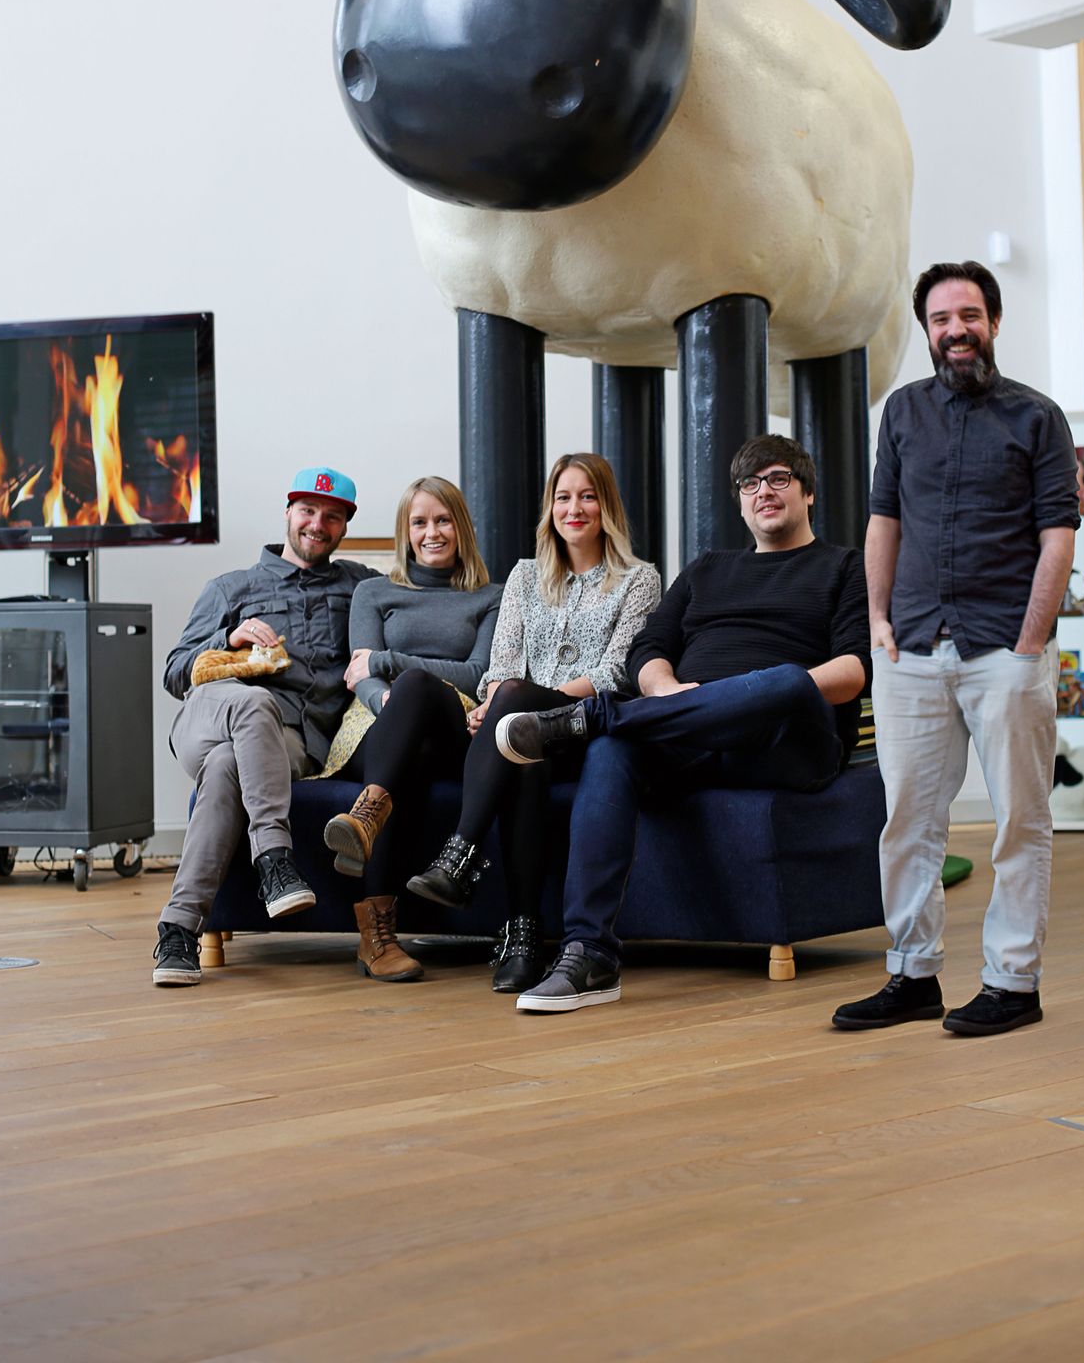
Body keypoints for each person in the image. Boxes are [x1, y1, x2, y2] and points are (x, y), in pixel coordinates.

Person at [496, 433, 870, 1014]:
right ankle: (589, 954)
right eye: (750, 484)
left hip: (788, 739)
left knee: (786, 680)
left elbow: (851, 671)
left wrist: (755, 693)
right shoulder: (708, 569)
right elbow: (648, 650)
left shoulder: (845, 566)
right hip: (690, 734)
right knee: (611, 753)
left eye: (777, 479)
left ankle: (596, 716)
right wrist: (666, 690)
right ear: (740, 502)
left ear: (808, 493)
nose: (763, 492)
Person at [833, 262, 1078, 1038]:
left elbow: (1058, 536)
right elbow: (883, 523)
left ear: (994, 324)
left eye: (970, 315)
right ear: (928, 332)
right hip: (910, 650)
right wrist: (877, 623)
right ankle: (912, 976)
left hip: (1004, 648)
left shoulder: (1038, 418)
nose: (956, 330)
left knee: (1019, 823)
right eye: (941, 319)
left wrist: (1031, 640)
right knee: (907, 820)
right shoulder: (902, 412)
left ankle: (1013, 982)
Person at [406, 452, 660, 993]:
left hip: (583, 724)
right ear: (550, 508)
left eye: (587, 496)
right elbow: (501, 666)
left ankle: (460, 854)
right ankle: (521, 941)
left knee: (520, 716)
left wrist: (519, 706)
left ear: (606, 506)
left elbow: (615, 673)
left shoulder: (640, 580)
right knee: (521, 752)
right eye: (563, 497)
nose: (575, 508)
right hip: (519, 730)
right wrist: (497, 704)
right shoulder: (525, 576)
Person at [152, 466, 374, 987]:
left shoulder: (361, 587)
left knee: (230, 764)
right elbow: (174, 671)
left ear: (344, 527)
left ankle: (178, 929)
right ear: (288, 514)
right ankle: (274, 859)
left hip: (290, 744)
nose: (318, 524)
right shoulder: (231, 586)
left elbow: (420, 604)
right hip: (211, 713)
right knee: (251, 705)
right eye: (308, 511)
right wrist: (228, 639)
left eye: (332, 516)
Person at [321, 476, 502, 983]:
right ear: (406, 532)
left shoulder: (493, 596)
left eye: (442, 520)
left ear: (461, 527)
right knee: (411, 751)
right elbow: (363, 682)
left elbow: (478, 673)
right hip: (376, 723)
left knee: (419, 685)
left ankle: (365, 814)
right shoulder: (373, 591)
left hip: (456, 723)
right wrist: (388, 697)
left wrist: (389, 663)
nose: (432, 532)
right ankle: (376, 937)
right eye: (419, 522)